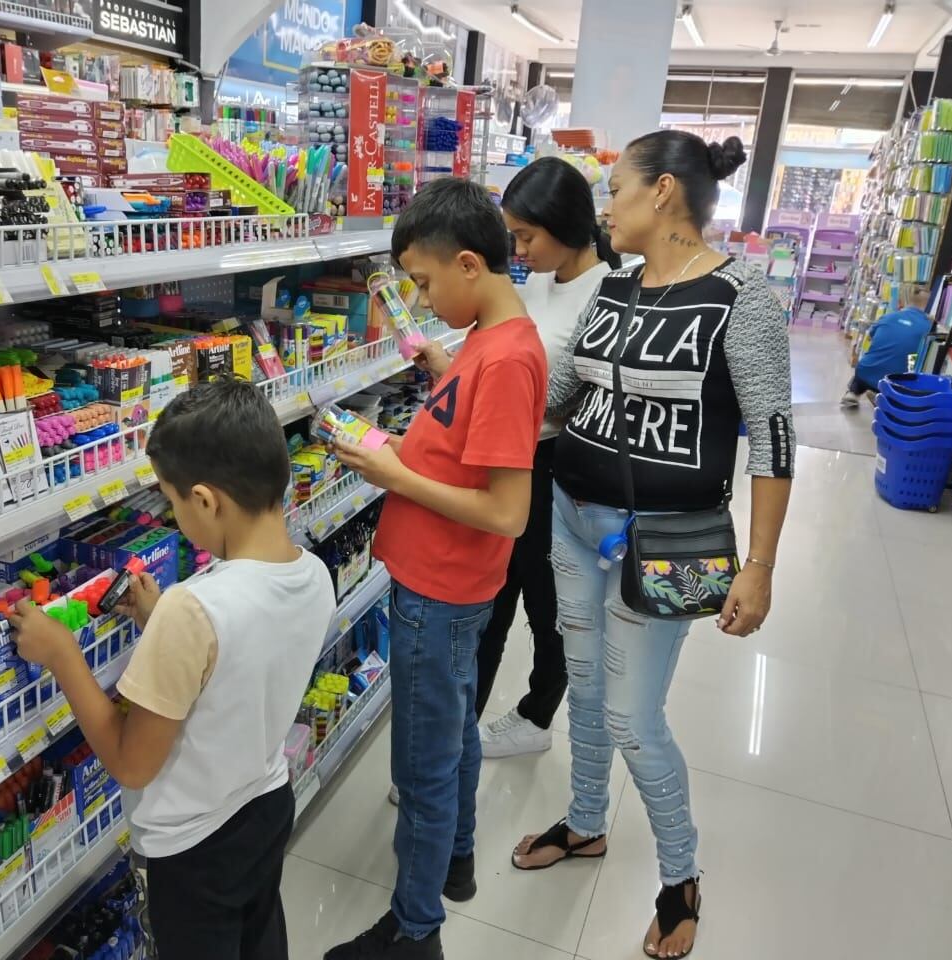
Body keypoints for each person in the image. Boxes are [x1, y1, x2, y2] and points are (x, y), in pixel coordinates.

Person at [512, 131, 795, 960]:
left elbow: (774, 442)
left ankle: (680, 877)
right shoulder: (617, 289)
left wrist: (763, 566)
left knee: (635, 716)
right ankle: (588, 822)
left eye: (617, 189)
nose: (606, 206)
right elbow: (562, 395)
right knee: (588, 684)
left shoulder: (744, 299)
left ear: (663, 192)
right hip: (570, 514)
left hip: (668, 542)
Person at [9, 379, 336, 960]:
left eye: (171, 500)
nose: (171, 512)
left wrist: (63, 654)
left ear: (206, 500)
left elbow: (131, 761)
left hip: (192, 848)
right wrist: (160, 622)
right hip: (264, 804)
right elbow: (238, 659)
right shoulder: (311, 574)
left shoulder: (193, 609)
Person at [325, 178, 547, 960]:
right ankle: (457, 858)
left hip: (443, 590)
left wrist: (393, 476)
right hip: (442, 584)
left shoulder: (510, 359)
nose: (418, 297)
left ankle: (414, 932)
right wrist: (438, 362)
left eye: (423, 284)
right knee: (452, 729)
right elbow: (469, 421)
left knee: (422, 765)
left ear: (468, 264)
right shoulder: (487, 338)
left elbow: (507, 512)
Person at [475, 156, 620, 759]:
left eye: (528, 235)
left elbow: (585, 397)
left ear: (567, 225)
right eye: (514, 235)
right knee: (489, 599)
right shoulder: (532, 280)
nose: (520, 248)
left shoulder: (610, 292)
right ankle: (459, 736)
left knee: (546, 603)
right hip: (502, 457)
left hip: (553, 467)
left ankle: (537, 715)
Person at [840, 283, 931, 406]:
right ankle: (883, 395)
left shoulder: (888, 317)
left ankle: (853, 392)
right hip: (897, 381)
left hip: (866, 372)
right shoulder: (928, 327)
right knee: (912, 362)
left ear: (902, 301)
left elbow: (872, 335)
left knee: (869, 362)